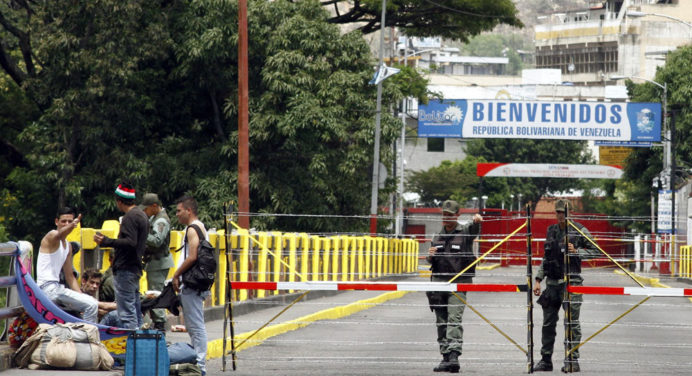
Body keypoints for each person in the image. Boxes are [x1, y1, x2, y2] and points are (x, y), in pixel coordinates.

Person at [533, 199, 599, 372]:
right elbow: (546, 258)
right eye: (559, 212)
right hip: (552, 284)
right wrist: (538, 279)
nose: (561, 215)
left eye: (564, 212)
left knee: (571, 323)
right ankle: (546, 359)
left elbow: (595, 250)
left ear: (570, 213)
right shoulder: (552, 231)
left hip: (571, 283)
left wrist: (577, 252)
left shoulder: (579, 231)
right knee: (548, 324)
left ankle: (572, 360)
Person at [426, 200, 482, 373]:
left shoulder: (464, 232)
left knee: (454, 319)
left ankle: (454, 356)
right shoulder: (437, 236)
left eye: (450, 215)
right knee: (441, 321)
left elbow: (474, 229)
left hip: (458, 284)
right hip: (438, 283)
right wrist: (430, 255)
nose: (447, 217)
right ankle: (444, 357)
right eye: (445, 214)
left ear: (457, 215)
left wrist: (477, 221)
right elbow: (431, 260)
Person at [93, 181, 149, 329]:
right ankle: (139, 345)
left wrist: (107, 241)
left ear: (119, 201)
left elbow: (131, 242)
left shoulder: (130, 217)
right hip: (134, 268)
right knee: (135, 311)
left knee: (126, 314)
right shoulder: (142, 215)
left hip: (126, 269)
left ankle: (131, 348)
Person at [36, 207, 98, 323]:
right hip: (46, 289)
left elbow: (70, 277)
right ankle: (86, 337)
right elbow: (59, 234)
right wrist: (72, 225)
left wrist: (82, 297)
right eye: (63, 221)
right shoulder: (51, 236)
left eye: (70, 221)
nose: (67, 224)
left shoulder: (68, 247)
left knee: (90, 303)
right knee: (92, 305)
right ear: (56, 222)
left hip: (57, 289)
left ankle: (83, 333)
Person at [173, 195, 210, 375]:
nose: (177, 214)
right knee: (195, 325)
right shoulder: (200, 227)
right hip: (198, 284)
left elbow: (193, 256)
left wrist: (176, 274)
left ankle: (200, 366)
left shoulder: (192, 229)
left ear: (189, 210)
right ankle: (198, 363)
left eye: (179, 211)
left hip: (192, 284)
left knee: (196, 327)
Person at [139, 193, 173, 331]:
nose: (145, 211)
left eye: (146, 208)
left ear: (154, 206)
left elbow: (157, 241)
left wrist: (141, 233)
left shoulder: (161, 221)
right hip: (155, 263)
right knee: (154, 294)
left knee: (156, 295)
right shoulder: (155, 218)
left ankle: (160, 328)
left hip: (158, 263)